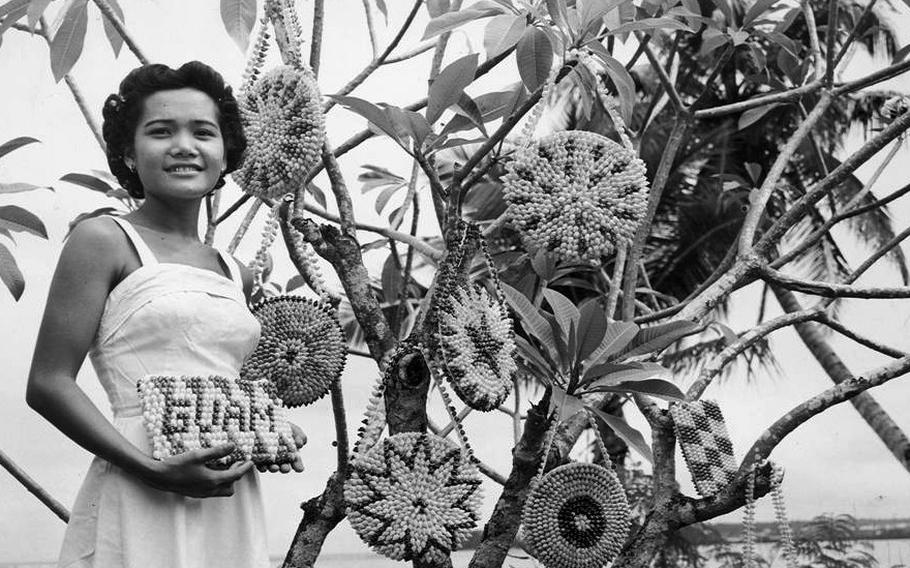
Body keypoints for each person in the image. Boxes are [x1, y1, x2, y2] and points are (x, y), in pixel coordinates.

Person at [26, 61, 304, 568]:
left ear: (225, 153)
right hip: (139, 476)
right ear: (130, 153)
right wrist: (152, 469)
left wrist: (271, 432)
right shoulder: (102, 240)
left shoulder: (235, 272)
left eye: (203, 132)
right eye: (160, 132)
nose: (183, 145)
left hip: (228, 486)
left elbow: (217, 385)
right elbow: (47, 382)